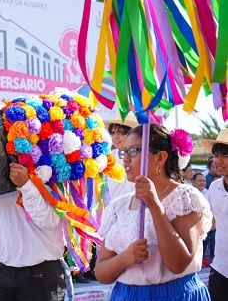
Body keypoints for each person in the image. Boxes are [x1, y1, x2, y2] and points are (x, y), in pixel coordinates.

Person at [96, 124, 212, 300]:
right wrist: (125, 258)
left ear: (160, 158)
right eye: (124, 152)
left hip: (174, 294)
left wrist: (155, 207)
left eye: (133, 151)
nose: (125, 159)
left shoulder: (185, 198)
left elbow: (178, 264)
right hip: (126, 295)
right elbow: (101, 273)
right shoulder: (119, 206)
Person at [0, 163, 67, 301]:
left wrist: (26, 185)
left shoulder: (47, 170)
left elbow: (48, 221)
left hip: (40, 274)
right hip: (3, 271)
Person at [200, 129, 228, 300]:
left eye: (225, 156)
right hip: (220, 268)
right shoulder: (214, 188)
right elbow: (210, 221)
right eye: (216, 155)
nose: (218, 161)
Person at [103, 112, 139, 202]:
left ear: (131, 133)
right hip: (114, 210)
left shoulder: (143, 155)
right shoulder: (107, 158)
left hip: (137, 208)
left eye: (120, 132)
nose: (115, 137)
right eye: (112, 132)